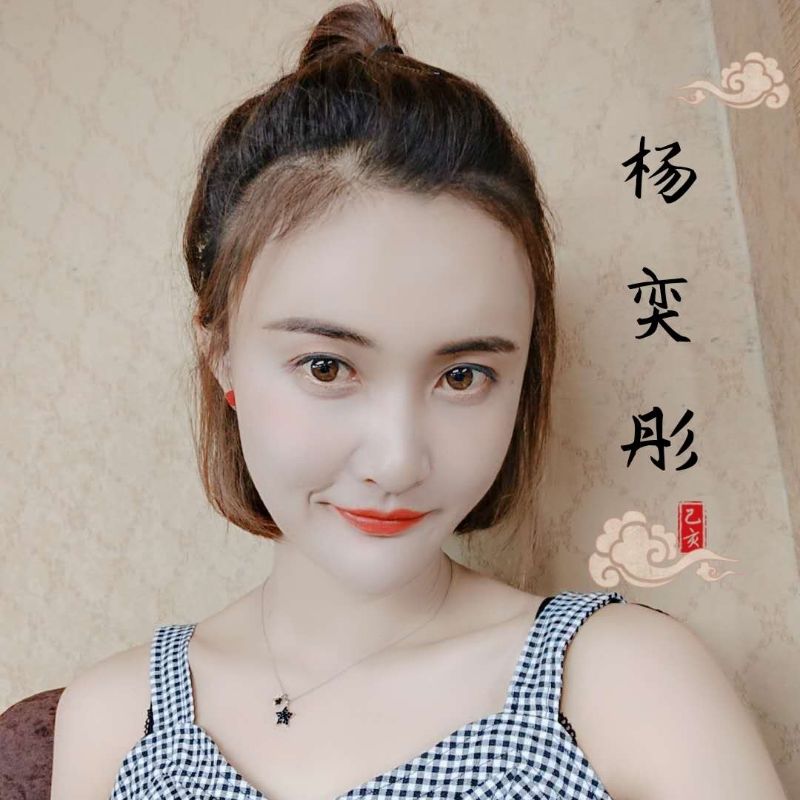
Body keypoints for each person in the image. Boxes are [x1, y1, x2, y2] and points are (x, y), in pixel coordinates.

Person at [49, 2, 789, 799]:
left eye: (463, 376)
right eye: (327, 367)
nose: (398, 461)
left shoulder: (627, 685)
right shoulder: (113, 722)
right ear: (221, 354)